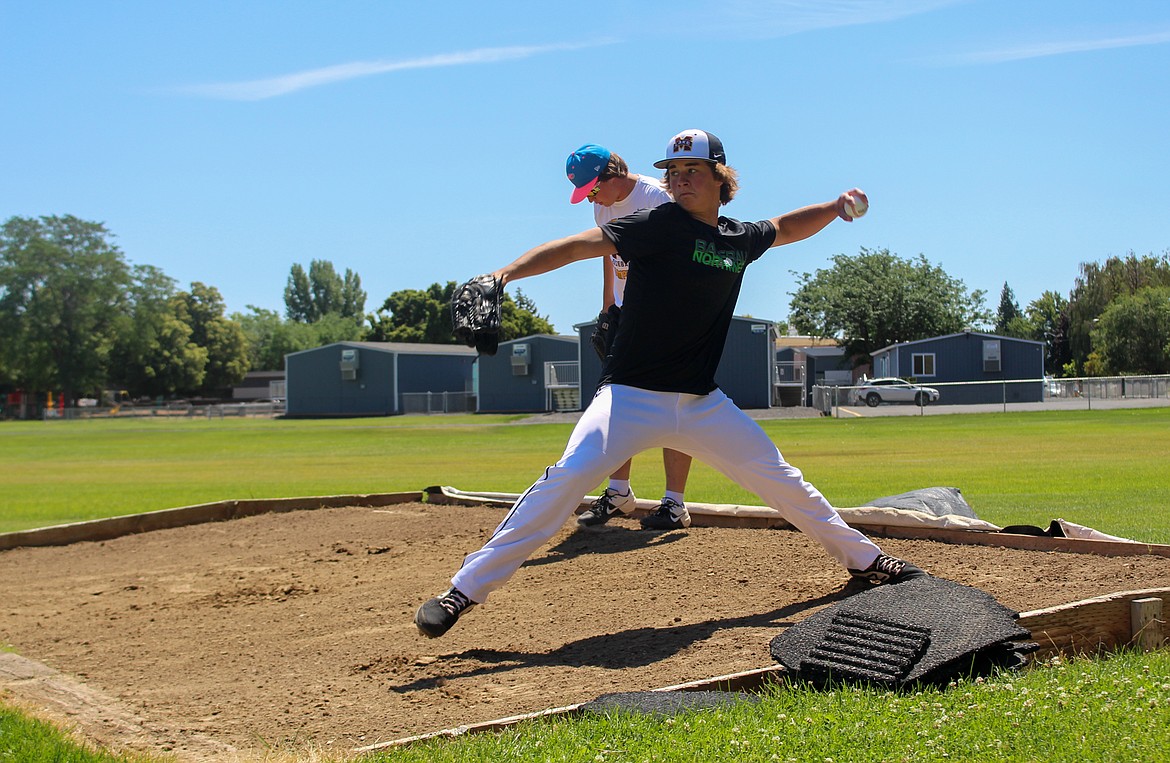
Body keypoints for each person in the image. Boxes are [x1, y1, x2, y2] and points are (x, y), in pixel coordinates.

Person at [417, 129, 927, 638]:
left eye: (692, 171)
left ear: (720, 179)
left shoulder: (736, 239)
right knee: (566, 479)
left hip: (702, 402)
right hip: (630, 396)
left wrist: (836, 207)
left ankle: (866, 561)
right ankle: (462, 591)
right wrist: (502, 276)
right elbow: (578, 246)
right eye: (673, 173)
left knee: (783, 481)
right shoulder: (656, 225)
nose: (679, 181)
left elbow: (787, 227)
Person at [565, 143, 694, 531]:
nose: (590, 196)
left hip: (667, 316)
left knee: (677, 407)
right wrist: (608, 309)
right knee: (617, 405)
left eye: (591, 187)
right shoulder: (603, 206)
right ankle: (619, 492)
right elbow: (610, 255)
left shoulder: (657, 197)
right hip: (628, 316)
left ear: (612, 174)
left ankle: (675, 504)